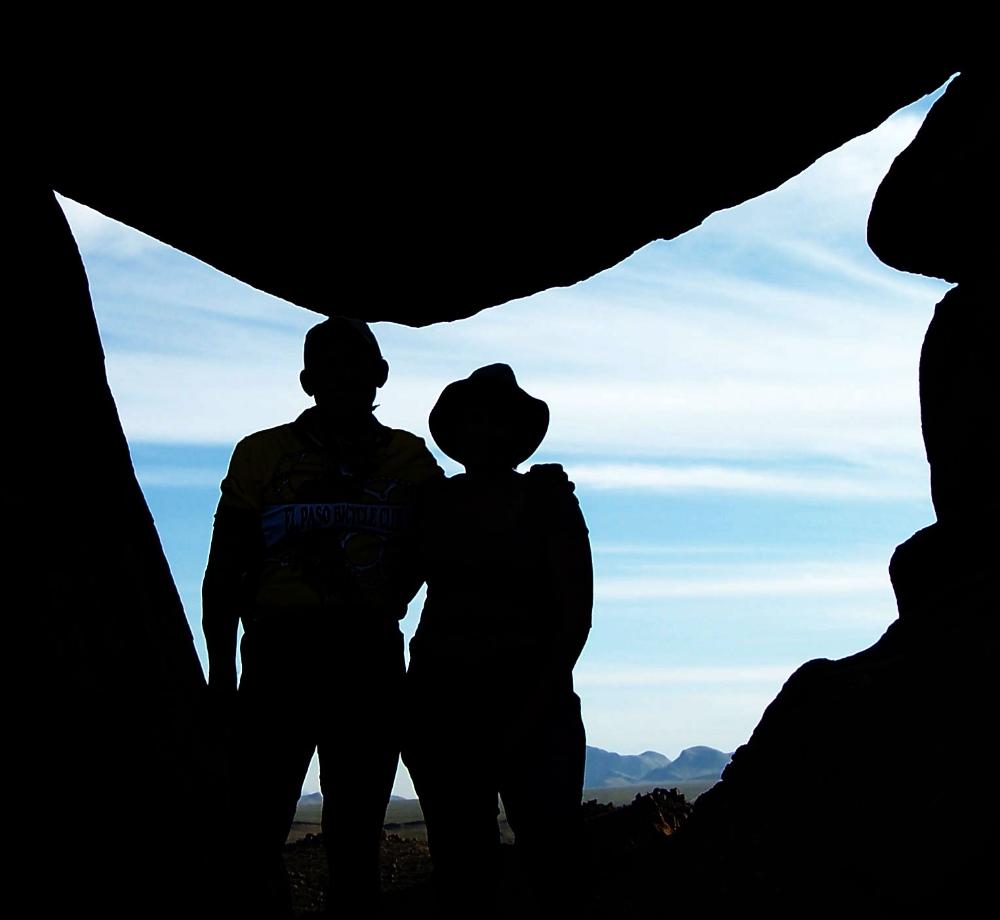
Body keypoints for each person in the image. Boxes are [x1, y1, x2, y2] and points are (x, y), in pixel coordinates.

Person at [202, 316, 443, 918]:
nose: (343, 377)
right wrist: (221, 674)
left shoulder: (409, 458)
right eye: (328, 366)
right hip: (278, 655)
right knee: (255, 828)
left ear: (380, 374)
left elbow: (446, 538)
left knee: (356, 834)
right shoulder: (261, 454)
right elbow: (225, 566)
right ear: (307, 379)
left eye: (355, 364)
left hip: (369, 656)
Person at [402, 363, 593, 918]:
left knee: (551, 861)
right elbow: (397, 586)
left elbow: (575, 615)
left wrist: (534, 707)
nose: (484, 433)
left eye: (496, 423)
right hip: (444, 708)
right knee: (463, 868)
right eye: (474, 422)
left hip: (533, 704)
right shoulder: (434, 503)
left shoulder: (548, 498)